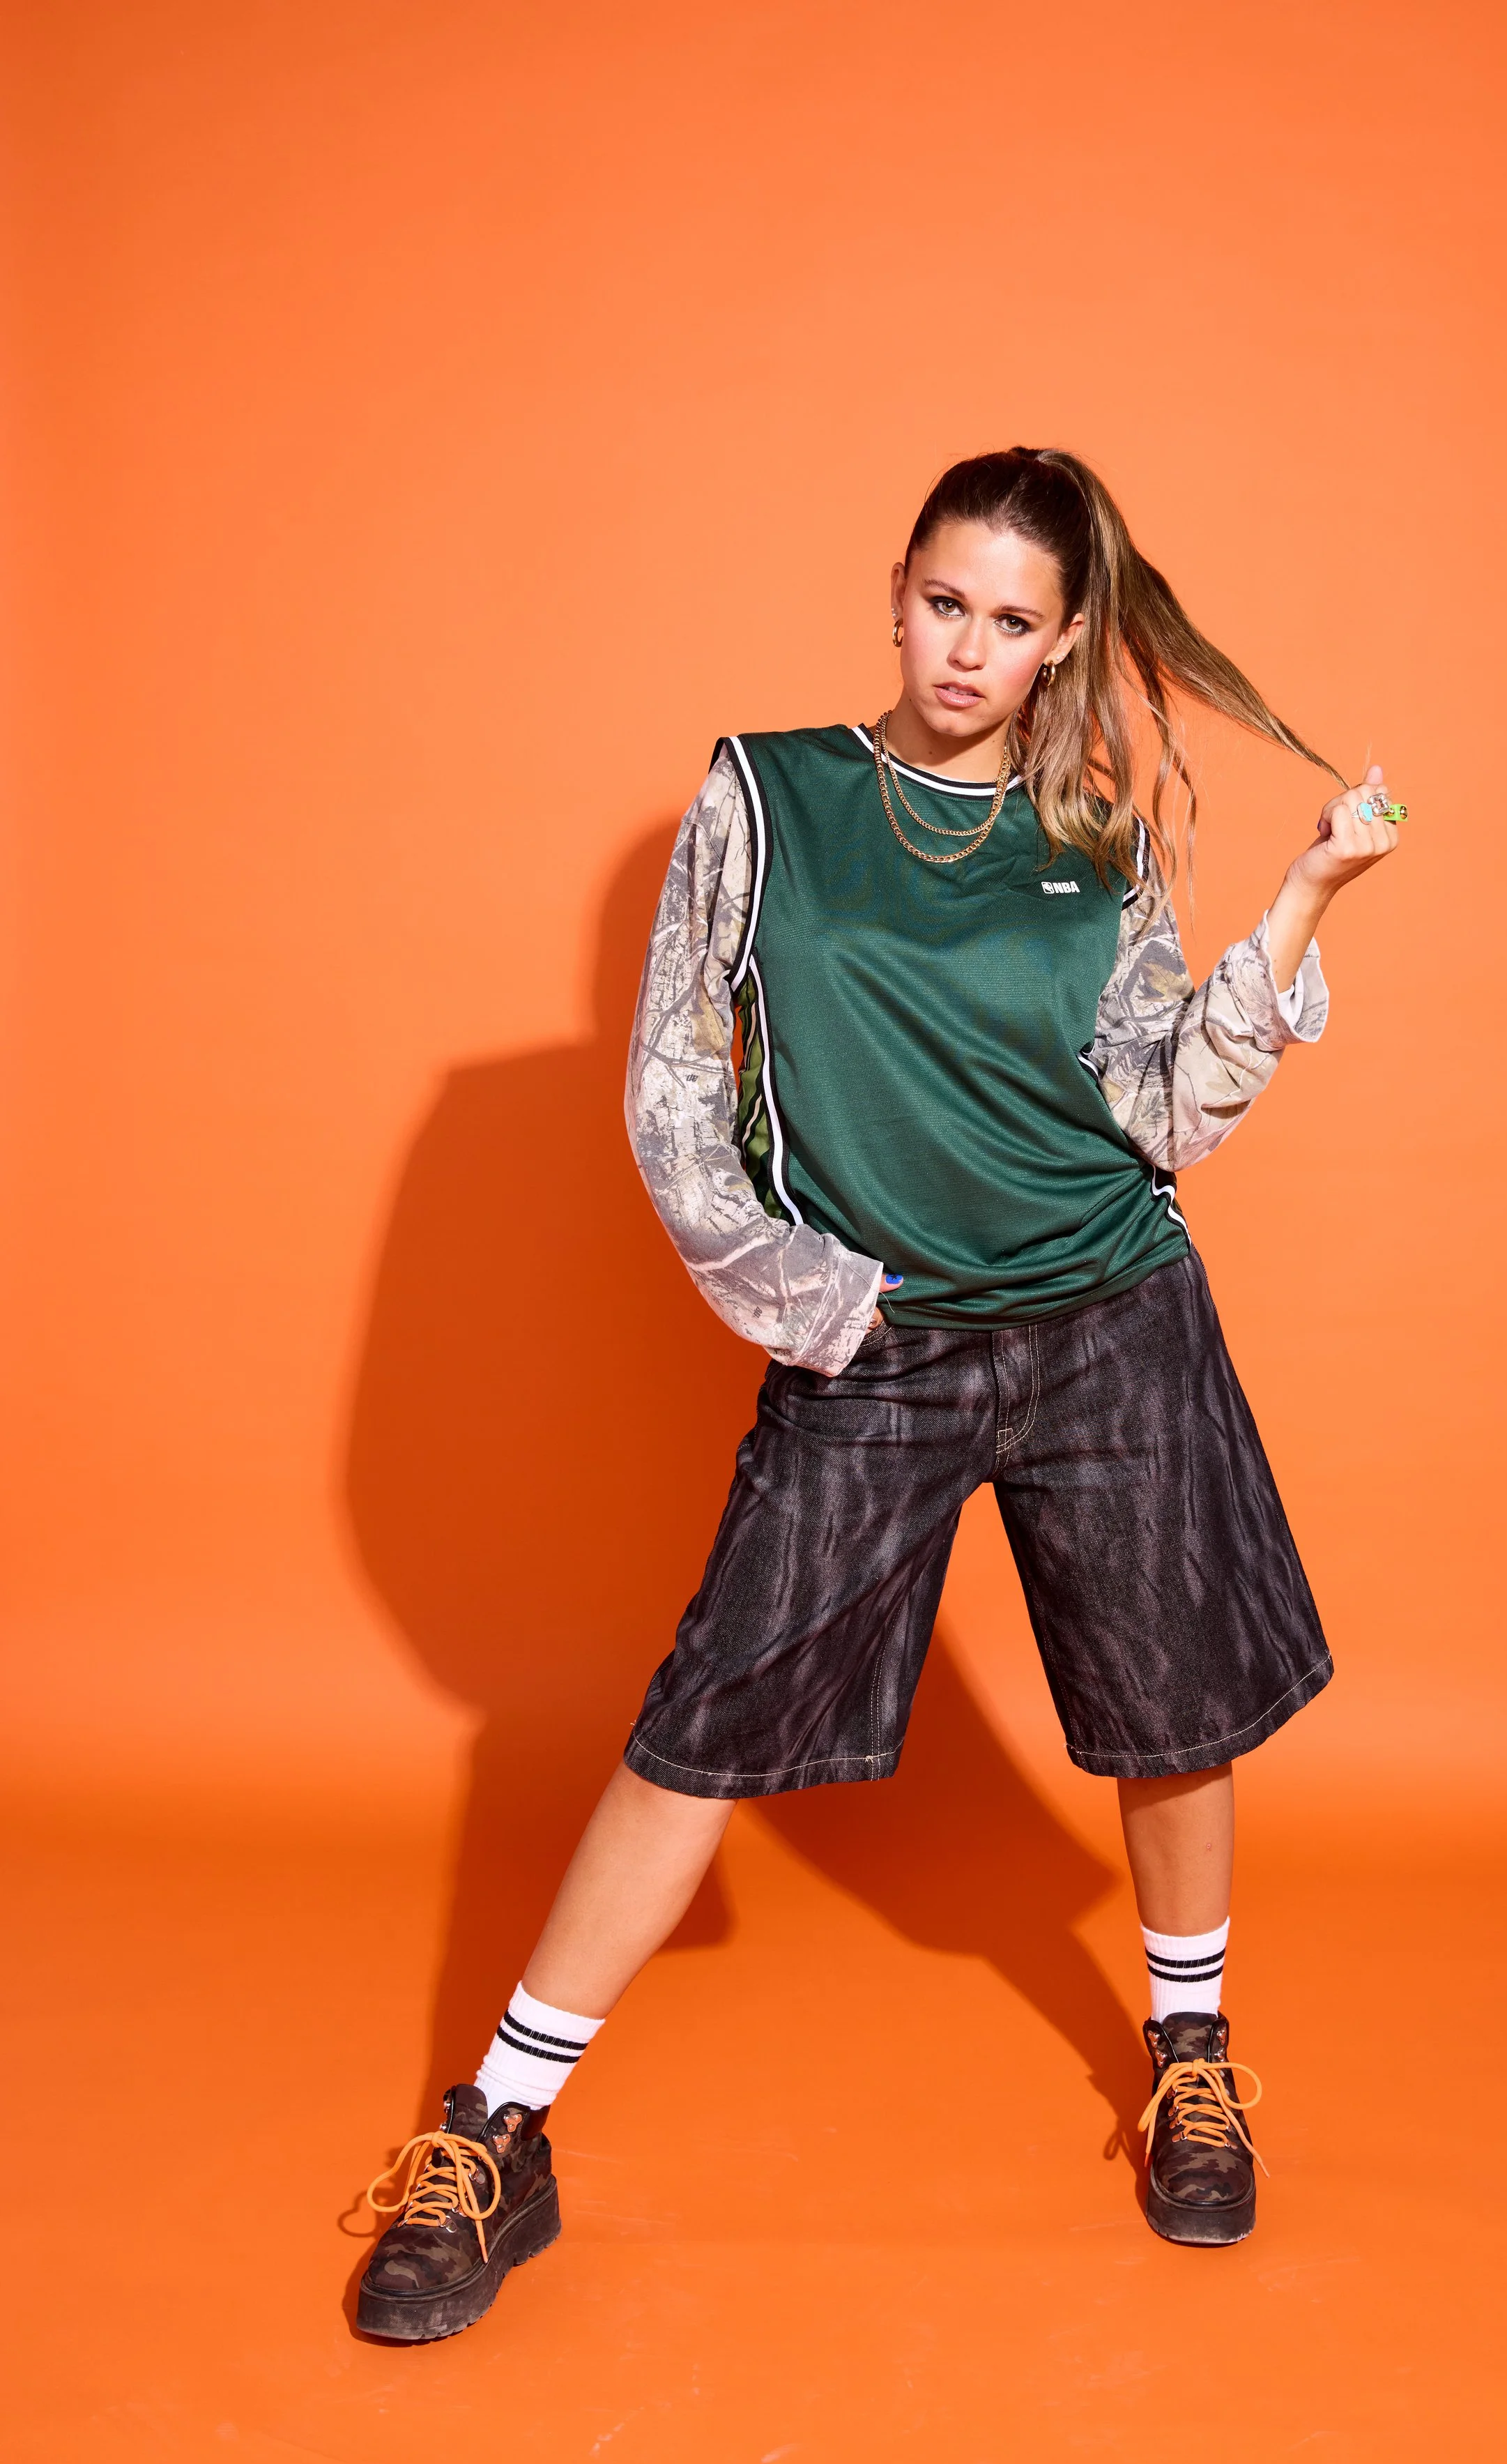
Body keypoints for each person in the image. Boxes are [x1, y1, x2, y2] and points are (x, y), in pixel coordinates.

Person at [357, 446, 1405, 2342]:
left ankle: (1188, 2048)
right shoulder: (767, 796)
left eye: (1011, 622)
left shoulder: (1094, 839)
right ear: (896, 588)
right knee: (706, 1717)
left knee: (1173, 1703)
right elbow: (677, 1090)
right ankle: (497, 2129)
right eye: (943, 601)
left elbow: (1162, 1103)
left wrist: (1306, 899)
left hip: (1111, 1319)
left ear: (1061, 639)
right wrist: (815, 1305)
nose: (965, 648)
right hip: (884, 1339)